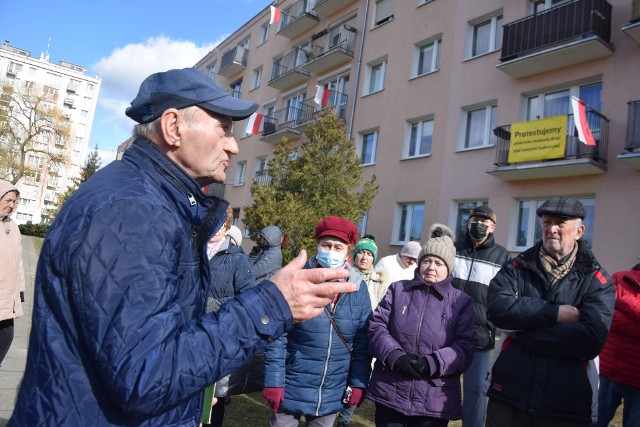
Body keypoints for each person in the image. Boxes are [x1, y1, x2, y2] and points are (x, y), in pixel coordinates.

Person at [8, 68, 357, 427]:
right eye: (224, 128)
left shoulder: (148, 200)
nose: (233, 145)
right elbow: (144, 377)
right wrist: (272, 304)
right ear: (173, 127)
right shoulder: (132, 211)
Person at [486, 197, 615, 427]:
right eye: (547, 222)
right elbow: (498, 310)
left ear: (579, 231)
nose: (551, 229)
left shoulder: (597, 281)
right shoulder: (516, 268)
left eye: (560, 222)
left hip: (565, 403)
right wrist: (554, 313)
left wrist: (523, 334)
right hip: (509, 397)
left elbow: (590, 340)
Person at [262, 216, 372, 427]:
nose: (331, 251)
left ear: (347, 251)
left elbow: (361, 341)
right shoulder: (297, 279)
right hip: (292, 382)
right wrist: (274, 382)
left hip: (332, 388)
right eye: (326, 245)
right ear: (317, 246)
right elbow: (276, 336)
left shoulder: (358, 287)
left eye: (338, 247)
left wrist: (358, 383)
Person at [366, 223, 476, 426]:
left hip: (433, 401)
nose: (431, 267)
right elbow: (377, 326)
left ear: (449, 268)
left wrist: (431, 363)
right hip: (392, 390)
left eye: (439, 263)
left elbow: (465, 346)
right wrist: (395, 356)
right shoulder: (398, 290)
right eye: (427, 260)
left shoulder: (461, 301)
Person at [451, 205, 510, 427]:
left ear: (492, 227)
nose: (478, 224)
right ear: (468, 221)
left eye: (484, 222)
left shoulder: (502, 256)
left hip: (480, 338)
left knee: (476, 392)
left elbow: (504, 297)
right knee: (440, 388)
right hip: (446, 333)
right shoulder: (454, 248)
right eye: (475, 219)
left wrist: (492, 327)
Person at [203, 208, 257, 427]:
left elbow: (247, 301)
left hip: (218, 335)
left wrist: (214, 306)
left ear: (227, 228)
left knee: (213, 397)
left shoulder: (237, 260)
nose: (215, 230)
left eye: (220, 225)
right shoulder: (191, 251)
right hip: (187, 332)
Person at [337, 236, 387, 426]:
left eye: (369, 254)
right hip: (344, 336)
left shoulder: (381, 283)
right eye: (361, 253)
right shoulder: (343, 276)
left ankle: (344, 420)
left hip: (367, 338)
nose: (365, 257)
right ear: (355, 255)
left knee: (357, 380)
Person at [597, 262, 640, 427]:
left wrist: (624, 303)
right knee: (592, 422)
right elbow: (603, 317)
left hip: (637, 378)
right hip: (607, 371)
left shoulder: (621, 289)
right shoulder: (620, 279)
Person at [0, 180, 24, 367]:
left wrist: (20, 291)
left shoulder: (13, 226)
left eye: (14, 202)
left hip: (7, 298)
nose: (11, 205)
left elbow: (19, 261)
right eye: (8, 200)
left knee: (6, 339)